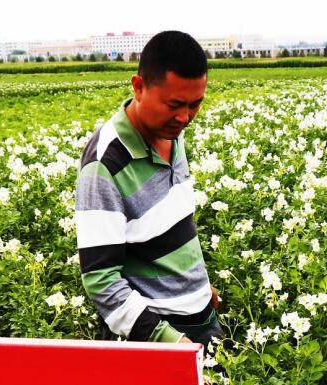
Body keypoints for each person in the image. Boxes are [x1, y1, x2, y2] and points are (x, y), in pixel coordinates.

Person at [75, 30, 220, 346]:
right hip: (162, 336)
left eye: (195, 104)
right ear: (138, 88)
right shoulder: (104, 164)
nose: (184, 117)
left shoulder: (172, 133)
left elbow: (170, 225)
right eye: (174, 104)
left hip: (202, 318)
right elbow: (102, 282)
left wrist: (199, 287)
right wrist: (170, 342)